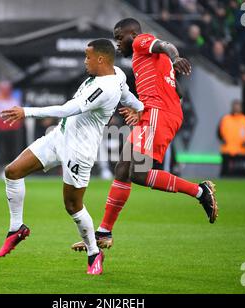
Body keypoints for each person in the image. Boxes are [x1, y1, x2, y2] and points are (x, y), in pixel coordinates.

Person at [0, 39, 144, 275]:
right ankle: (16, 228)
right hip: (59, 137)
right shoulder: (117, 74)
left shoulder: (104, 88)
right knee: (12, 172)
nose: (85, 61)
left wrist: (27, 111)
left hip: (79, 151)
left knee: (73, 206)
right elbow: (128, 96)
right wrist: (140, 108)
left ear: (101, 59)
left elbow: (68, 109)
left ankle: (94, 252)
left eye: (88, 57)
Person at [72, 18, 218, 252]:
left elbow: (165, 45)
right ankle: (104, 232)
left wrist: (175, 57)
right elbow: (176, 91)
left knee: (138, 173)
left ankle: (200, 192)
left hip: (159, 113)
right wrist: (144, 107)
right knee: (122, 169)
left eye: (119, 38)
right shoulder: (147, 61)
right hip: (153, 112)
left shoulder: (142, 42)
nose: (117, 43)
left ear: (132, 34)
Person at [217, 100, 245, 176]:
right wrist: (222, 139)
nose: (236, 108)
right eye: (235, 106)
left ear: (241, 108)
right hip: (227, 150)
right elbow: (219, 132)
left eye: (238, 106)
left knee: (240, 174)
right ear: (232, 107)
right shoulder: (225, 119)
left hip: (240, 150)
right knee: (225, 173)